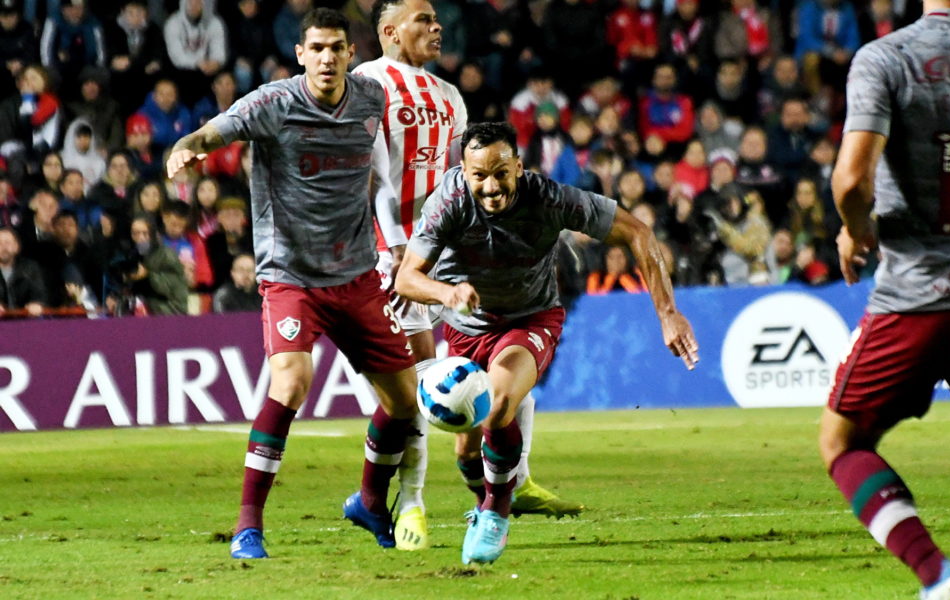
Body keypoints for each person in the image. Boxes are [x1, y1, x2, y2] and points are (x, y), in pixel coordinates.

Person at [166, 7, 419, 560]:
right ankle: (247, 525)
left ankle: (371, 501)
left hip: (357, 275)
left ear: (352, 55)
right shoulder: (273, 102)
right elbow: (218, 128)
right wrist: (190, 146)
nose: (327, 58)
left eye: (337, 48)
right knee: (291, 382)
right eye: (317, 49)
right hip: (292, 278)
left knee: (405, 402)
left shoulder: (372, 100)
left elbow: (387, 165)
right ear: (300, 54)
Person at [395, 122, 699, 565]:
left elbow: (638, 233)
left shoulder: (551, 198)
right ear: (463, 170)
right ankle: (494, 497)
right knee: (465, 449)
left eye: (501, 172)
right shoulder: (449, 201)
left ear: (519, 166)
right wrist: (448, 293)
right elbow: (407, 277)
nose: (492, 186)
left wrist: (667, 312)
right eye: (479, 175)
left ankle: (495, 514)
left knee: (497, 405)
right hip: (465, 326)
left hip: (530, 319)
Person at [354, 0, 582, 552]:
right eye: (421, 20)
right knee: (415, 386)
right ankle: (411, 503)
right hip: (399, 256)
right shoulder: (369, 81)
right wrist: (397, 248)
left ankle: (517, 480)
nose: (436, 27)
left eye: (437, 19)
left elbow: (468, 182)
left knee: (504, 353)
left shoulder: (450, 96)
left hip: (458, 257)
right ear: (389, 31)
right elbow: (372, 173)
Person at [819, 2, 950, 598]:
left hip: (919, 298)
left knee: (842, 442)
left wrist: (857, 227)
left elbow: (850, 182)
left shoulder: (888, 57)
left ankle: (938, 574)